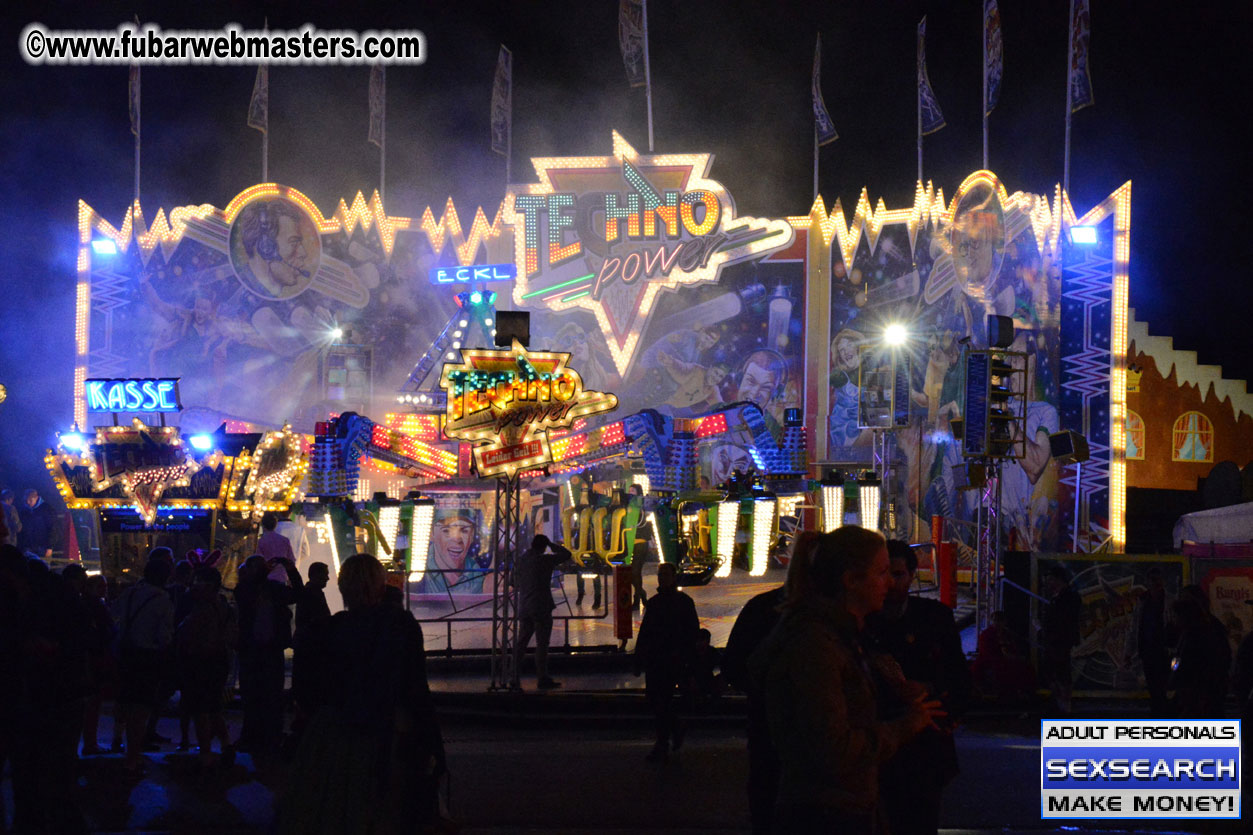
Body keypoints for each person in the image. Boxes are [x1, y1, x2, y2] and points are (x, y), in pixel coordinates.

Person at [748, 526, 945, 834]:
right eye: (881, 573)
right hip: (825, 815)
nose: (889, 583)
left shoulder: (844, 635)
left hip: (841, 807)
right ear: (851, 581)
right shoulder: (816, 646)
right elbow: (834, 748)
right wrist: (905, 725)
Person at [280, 554, 445, 833]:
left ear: (344, 589)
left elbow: (305, 690)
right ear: (381, 587)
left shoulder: (326, 631)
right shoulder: (400, 627)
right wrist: (431, 743)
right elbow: (416, 689)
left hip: (336, 737)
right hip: (387, 734)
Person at [868, 540, 971, 835]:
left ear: (913, 575)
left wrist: (927, 688)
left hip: (923, 750)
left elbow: (959, 678)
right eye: (884, 574)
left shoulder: (935, 618)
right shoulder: (861, 620)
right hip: (877, 747)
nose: (889, 583)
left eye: (897, 575)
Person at [722, 532, 806, 835]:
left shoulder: (761, 608)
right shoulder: (838, 620)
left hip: (767, 729)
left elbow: (733, 665)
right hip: (809, 753)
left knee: (767, 799)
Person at [111, 549, 176, 772]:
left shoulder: (129, 593)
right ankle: (133, 755)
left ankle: (117, 740)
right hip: (147, 657)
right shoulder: (163, 599)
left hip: (125, 652)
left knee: (124, 701)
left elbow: (115, 615)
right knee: (140, 709)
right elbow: (164, 636)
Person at [234, 552, 302, 756]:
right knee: (264, 693)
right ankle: (265, 736)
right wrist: (289, 569)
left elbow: (297, 595)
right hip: (263, 648)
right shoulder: (262, 589)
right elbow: (297, 594)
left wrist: (287, 570)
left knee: (260, 693)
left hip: (259, 648)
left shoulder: (255, 589)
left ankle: (258, 735)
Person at [634, 561, 700, 762]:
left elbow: (691, 632)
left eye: (665, 574)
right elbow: (646, 633)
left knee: (660, 700)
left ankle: (663, 741)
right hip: (662, 658)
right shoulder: (663, 602)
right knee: (658, 700)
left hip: (670, 659)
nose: (662, 578)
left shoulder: (674, 602)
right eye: (660, 574)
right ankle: (672, 730)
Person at [176, 565, 237, 767]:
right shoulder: (224, 605)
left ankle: (205, 752)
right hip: (220, 659)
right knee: (214, 706)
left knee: (201, 709)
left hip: (202, 659)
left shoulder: (202, 607)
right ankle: (226, 744)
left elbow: (186, 630)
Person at [512, 535, 572, 690]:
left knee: (521, 643)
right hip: (541, 606)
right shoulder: (545, 560)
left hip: (525, 605)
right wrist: (553, 545)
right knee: (542, 644)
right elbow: (567, 555)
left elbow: (513, 582)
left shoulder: (521, 560)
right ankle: (542, 677)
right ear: (544, 547)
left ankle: (514, 675)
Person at [1170, 585, 1231, 718]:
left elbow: (1180, 660)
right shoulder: (1209, 628)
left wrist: (1174, 673)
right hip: (1205, 691)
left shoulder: (1194, 634)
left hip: (1198, 692)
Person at [1038, 564, 1081, 714]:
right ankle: (1060, 701)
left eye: (1051, 580)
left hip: (1060, 640)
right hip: (1054, 640)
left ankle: (1064, 702)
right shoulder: (1059, 597)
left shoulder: (1068, 597)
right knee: (1054, 670)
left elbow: (1066, 619)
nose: (1048, 583)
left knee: (1061, 671)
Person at [293, 562, 332, 713]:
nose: (328, 578)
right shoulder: (313, 594)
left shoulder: (310, 592)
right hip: (311, 648)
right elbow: (319, 621)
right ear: (316, 575)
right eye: (325, 574)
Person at [1136, 568, 1171, 717]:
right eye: (1153, 580)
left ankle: (1160, 710)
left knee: (1160, 682)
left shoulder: (1164, 600)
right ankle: (1160, 711)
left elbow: (1135, 627)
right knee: (1155, 683)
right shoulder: (1144, 601)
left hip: (1162, 649)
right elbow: (1135, 627)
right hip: (1151, 648)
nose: (1155, 584)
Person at [258, 511, 297, 585]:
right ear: (275, 525)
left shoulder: (260, 541)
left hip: (266, 580)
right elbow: (291, 560)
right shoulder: (284, 540)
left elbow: (258, 561)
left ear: (262, 524)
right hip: (282, 578)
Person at [18, 489, 59, 559]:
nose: (28, 502)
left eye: (30, 500)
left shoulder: (47, 509)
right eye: (26, 500)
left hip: (42, 547)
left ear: (37, 498)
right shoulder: (24, 510)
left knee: (43, 567)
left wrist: (49, 547)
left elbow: (53, 528)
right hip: (28, 546)